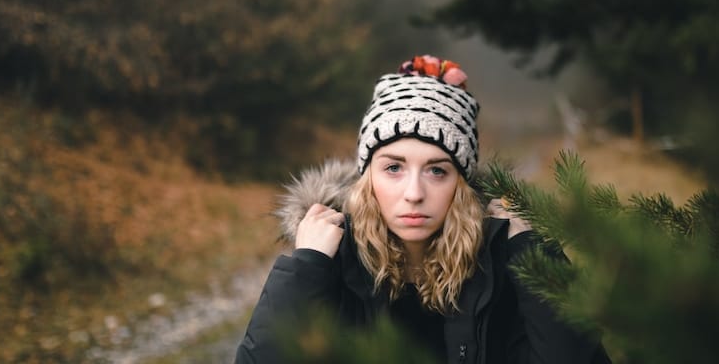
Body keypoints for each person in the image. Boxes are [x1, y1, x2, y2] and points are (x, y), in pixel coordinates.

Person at [235, 55, 610, 363]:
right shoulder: (331, 263)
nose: (414, 193)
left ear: (460, 184)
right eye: (393, 168)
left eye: (436, 170)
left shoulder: (503, 263)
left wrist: (534, 251)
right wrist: (306, 265)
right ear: (368, 178)